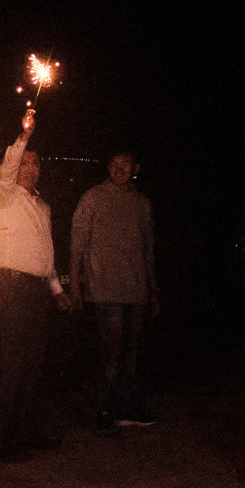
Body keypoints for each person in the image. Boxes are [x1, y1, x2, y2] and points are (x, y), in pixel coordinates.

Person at [0, 105, 67, 460]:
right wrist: (24, 137)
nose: (30, 169)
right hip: (12, 286)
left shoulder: (42, 205)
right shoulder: (3, 196)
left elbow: (44, 254)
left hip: (35, 289)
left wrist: (57, 290)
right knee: (14, 363)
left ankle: (26, 431)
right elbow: (5, 170)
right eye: (25, 163)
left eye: (35, 164)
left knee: (33, 363)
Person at [69, 149, 158, 432]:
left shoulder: (141, 203)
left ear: (136, 167)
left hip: (136, 289)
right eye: (115, 164)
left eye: (126, 163)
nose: (120, 168)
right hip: (105, 288)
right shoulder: (93, 198)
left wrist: (153, 291)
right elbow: (77, 244)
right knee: (112, 350)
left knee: (131, 351)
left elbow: (148, 251)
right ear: (108, 167)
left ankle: (126, 407)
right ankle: (104, 409)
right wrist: (75, 285)